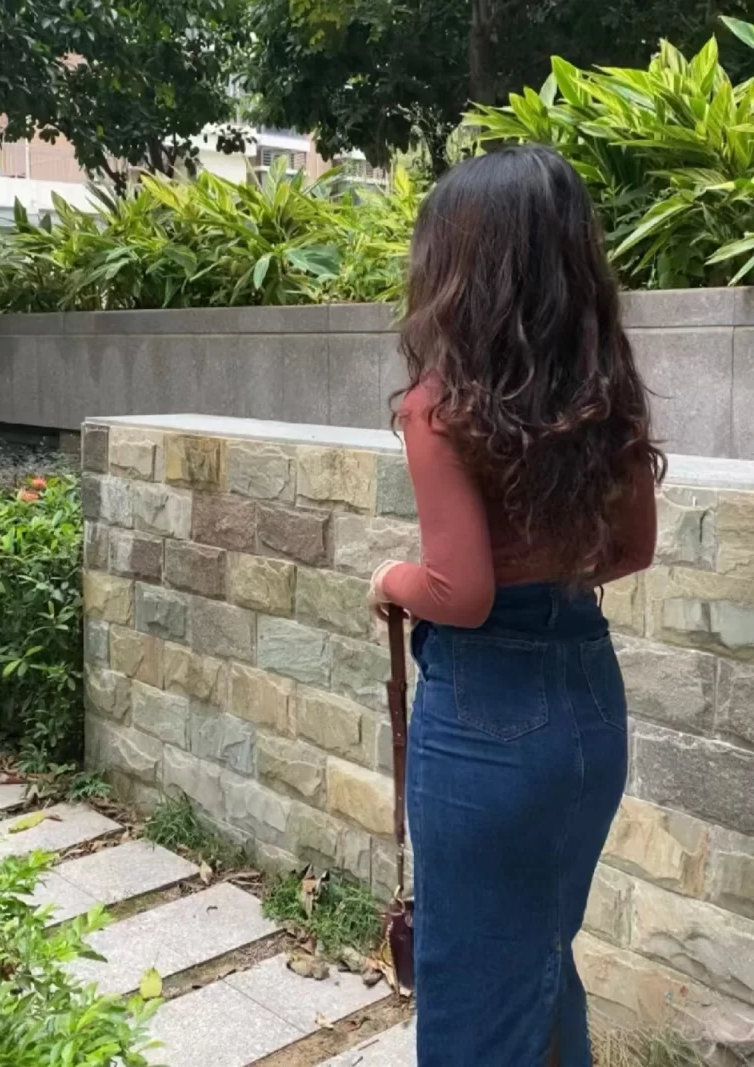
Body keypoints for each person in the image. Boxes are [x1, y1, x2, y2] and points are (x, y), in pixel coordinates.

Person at [368, 145, 664, 1067]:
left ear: (460, 270)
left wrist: (391, 579)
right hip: (588, 704)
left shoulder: (439, 408)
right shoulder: (606, 398)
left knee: (472, 990)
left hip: (486, 718)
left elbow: (460, 595)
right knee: (540, 960)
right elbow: (632, 549)